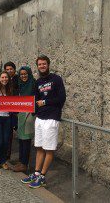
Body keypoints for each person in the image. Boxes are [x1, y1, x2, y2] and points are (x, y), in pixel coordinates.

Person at [21, 55, 66, 189]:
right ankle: (36, 173)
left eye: (44, 64)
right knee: (39, 147)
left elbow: (61, 98)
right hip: (40, 118)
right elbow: (35, 99)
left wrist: (45, 102)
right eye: (40, 64)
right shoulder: (38, 82)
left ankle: (42, 176)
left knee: (49, 148)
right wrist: (32, 110)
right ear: (37, 66)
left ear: (48, 64)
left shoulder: (56, 79)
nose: (42, 66)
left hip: (51, 118)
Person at [12, 66, 35, 172]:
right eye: (21, 74)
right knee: (21, 138)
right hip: (21, 114)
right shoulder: (20, 85)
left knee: (26, 139)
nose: (23, 76)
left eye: (25, 74)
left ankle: (25, 164)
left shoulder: (33, 84)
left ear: (29, 74)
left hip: (29, 114)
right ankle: (21, 161)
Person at [4, 61, 19, 159]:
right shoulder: (4, 80)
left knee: (21, 134)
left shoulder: (18, 79)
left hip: (17, 110)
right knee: (8, 134)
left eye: (11, 69)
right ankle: (6, 155)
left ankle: (22, 160)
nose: (9, 71)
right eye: (7, 69)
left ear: (14, 69)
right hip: (7, 110)